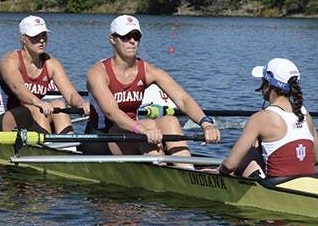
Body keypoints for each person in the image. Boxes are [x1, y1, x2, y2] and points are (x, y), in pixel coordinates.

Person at [85, 14, 221, 155]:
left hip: (135, 133)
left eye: (136, 37)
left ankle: (185, 166)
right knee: (149, 125)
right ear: (113, 39)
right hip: (101, 137)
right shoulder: (98, 73)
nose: (132, 41)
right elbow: (112, 113)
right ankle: (159, 164)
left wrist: (207, 124)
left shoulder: (149, 71)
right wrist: (144, 130)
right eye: (125, 37)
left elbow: (183, 99)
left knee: (170, 121)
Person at [217, 58, 316, 178]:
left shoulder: (260, 118)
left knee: (248, 153)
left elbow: (230, 165)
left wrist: (218, 171)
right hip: (309, 182)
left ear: (267, 85)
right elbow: (315, 158)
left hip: (276, 185)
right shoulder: (305, 113)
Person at [0, 15, 89, 134]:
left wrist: (81, 104)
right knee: (35, 108)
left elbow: (71, 94)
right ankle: (47, 143)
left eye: (43, 35)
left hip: (32, 118)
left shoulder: (52, 63)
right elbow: (17, 88)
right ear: (23, 39)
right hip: (1, 122)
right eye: (35, 37)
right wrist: (37, 101)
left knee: (59, 104)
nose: (41, 40)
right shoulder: (10, 60)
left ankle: (69, 143)